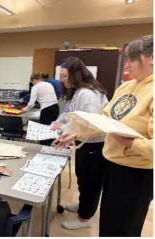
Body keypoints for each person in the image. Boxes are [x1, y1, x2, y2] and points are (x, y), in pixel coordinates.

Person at [54, 35, 153, 237]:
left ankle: (85, 215)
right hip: (112, 163)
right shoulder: (127, 86)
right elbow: (103, 119)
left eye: (133, 60)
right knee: (109, 220)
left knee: (123, 226)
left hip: (135, 172)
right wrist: (75, 132)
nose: (127, 66)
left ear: (151, 58)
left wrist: (129, 143)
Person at [50, 57, 109, 230]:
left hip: (95, 144)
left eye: (65, 76)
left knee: (91, 182)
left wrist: (66, 130)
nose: (62, 80)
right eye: (61, 76)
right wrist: (58, 123)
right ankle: (83, 206)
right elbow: (68, 112)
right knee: (82, 178)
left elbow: (90, 125)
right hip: (84, 143)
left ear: (75, 75)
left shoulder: (87, 94)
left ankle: (84, 218)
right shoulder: (77, 91)